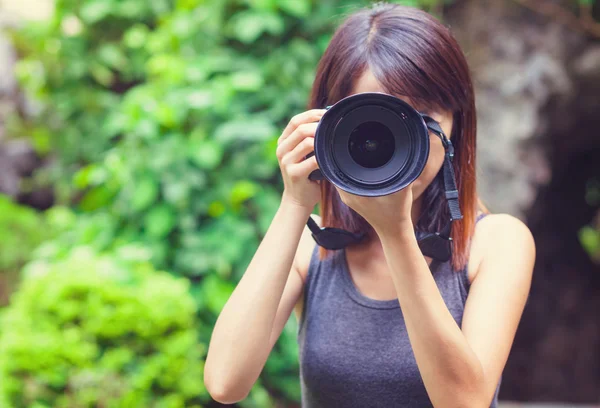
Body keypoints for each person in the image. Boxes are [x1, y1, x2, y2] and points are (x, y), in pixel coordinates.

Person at [204, 3, 536, 407]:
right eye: (374, 120)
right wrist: (295, 202)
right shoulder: (314, 246)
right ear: (329, 123)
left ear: (455, 124)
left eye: (418, 116)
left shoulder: (496, 243)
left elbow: (464, 403)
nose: (395, 139)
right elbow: (224, 382)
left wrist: (396, 234)